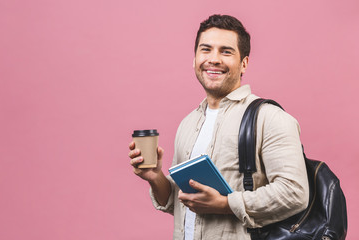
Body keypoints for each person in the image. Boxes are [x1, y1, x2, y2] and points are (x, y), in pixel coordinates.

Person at [128, 14, 309, 240]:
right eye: (206, 49)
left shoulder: (270, 118)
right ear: (194, 59)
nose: (213, 59)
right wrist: (155, 177)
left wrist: (225, 204)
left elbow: (294, 193)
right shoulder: (189, 123)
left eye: (226, 51)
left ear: (244, 63)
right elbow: (179, 201)